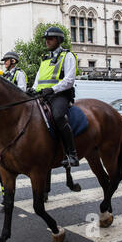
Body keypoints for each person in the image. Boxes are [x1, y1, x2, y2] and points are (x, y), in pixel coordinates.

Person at [31, 26, 79, 169]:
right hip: (44, 95)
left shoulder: (67, 56)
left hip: (60, 96)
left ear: (58, 40)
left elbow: (70, 80)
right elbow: (38, 79)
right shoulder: (45, 59)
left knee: (58, 116)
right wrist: (32, 90)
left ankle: (72, 154)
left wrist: (53, 89)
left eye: (50, 39)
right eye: (46, 39)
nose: (47, 41)